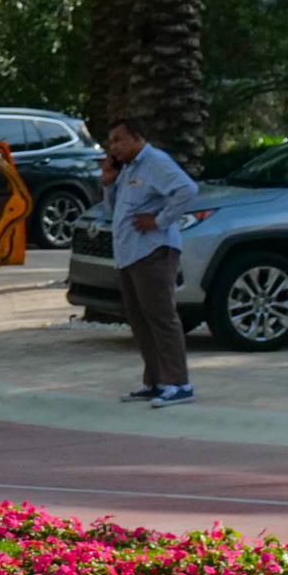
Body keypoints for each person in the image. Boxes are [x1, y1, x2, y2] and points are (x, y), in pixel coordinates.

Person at [101, 116, 198, 409]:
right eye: (110, 141)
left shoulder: (155, 161)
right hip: (129, 254)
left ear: (137, 137)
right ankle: (155, 381)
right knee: (140, 320)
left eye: (118, 140)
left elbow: (188, 190)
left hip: (153, 252)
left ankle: (179, 383)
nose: (113, 147)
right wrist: (108, 183)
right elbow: (112, 212)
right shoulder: (128, 168)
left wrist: (159, 220)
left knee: (161, 316)